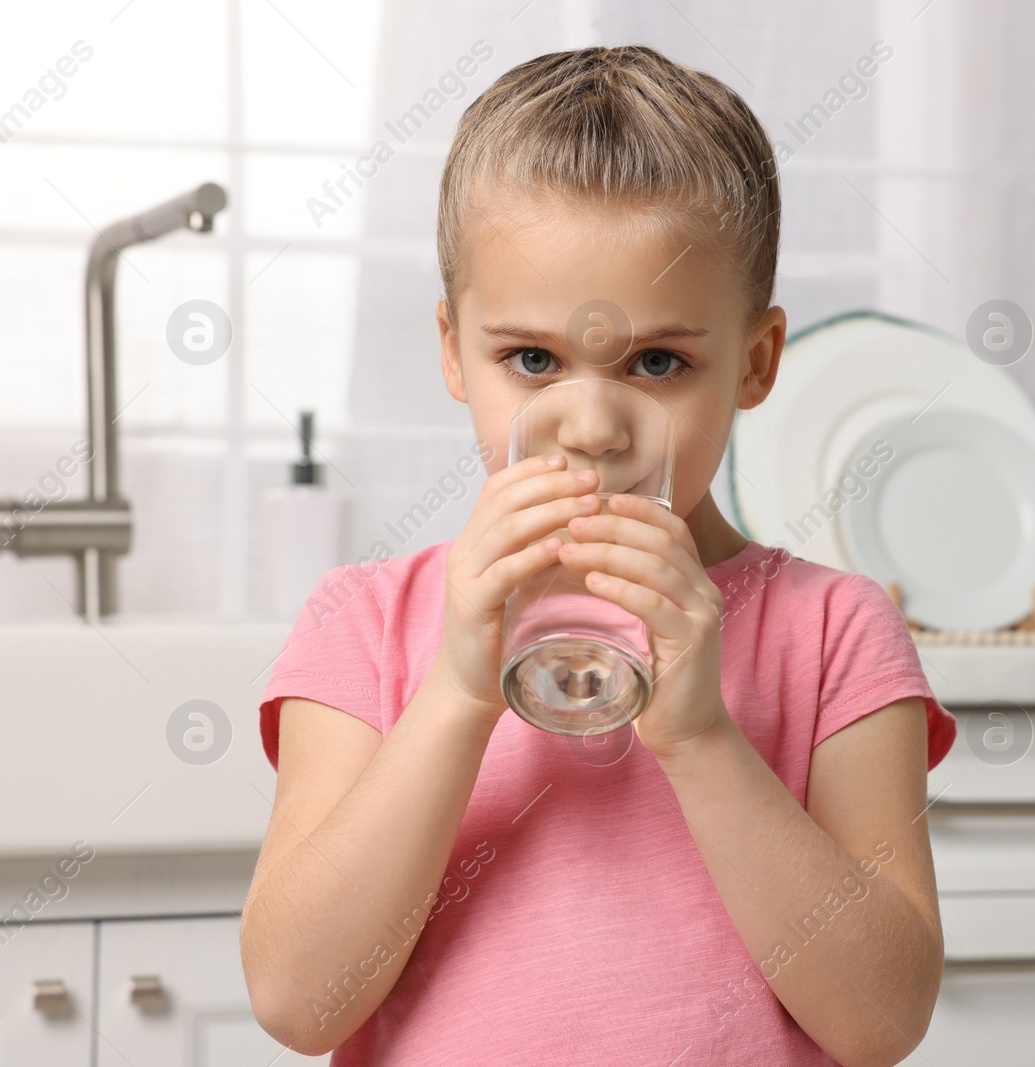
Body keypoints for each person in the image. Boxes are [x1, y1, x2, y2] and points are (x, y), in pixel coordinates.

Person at [240, 44, 958, 1067]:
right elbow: (298, 999)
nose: (589, 425)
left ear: (753, 363)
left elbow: (881, 1020)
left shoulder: (835, 630)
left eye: (657, 362)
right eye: (531, 359)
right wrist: (453, 691)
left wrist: (705, 737)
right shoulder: (363, 622)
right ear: (453, 349)